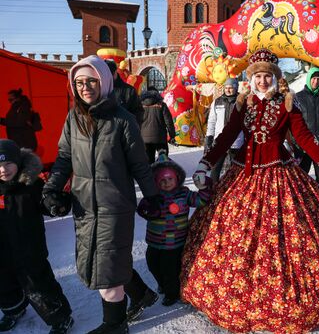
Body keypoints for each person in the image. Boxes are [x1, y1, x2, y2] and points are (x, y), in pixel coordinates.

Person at [182, 49, 319, 333]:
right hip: (244, 172)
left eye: (267, 76)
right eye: (258, 76)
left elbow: (303, 135)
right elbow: (227, 135)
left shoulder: (287, 104)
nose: (263, 81)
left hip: (280, 173)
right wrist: (206, 162)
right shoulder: (243, 104)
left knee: (291, 232)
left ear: (275, 78)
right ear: (250, 79)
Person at [42, 55, 160, 333]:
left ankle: (115, 324)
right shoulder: (74, 118)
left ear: (104, 82)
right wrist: (51, 188)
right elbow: (64, 157)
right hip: (83, 205)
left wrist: (153, 196)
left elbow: (139, 164)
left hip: (114, 204)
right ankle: (142, 294)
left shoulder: (123, 120)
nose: (85, 87)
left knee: (107, 267)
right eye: (79, 82)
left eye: (91, 81)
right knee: (101, 259)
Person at [0, 140, 73, 334]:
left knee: (38, 284)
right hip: (3, 248)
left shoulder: (31, 184)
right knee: (4, 281)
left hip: (29, 248)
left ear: (18, 162)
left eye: (8, 163)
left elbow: (46, 204)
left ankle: (60, 318)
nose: (3, 169)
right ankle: (14, 308)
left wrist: (56, 204)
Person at [136, 151, 212, 306]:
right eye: (161, 179)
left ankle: (172, 293)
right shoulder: (153, 195)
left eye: (169, 178)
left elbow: (201, 201)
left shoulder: (184, 194)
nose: (166, 182)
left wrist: (205, 187)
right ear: (155, 181)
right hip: (155, 240)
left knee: (170, 269)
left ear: (177, 178)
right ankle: (163, 284)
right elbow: (142, 209)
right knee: (152, 263)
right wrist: (146, 209)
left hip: (175, 243)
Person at [204, 78, 244, 182]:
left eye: (231, 88)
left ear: (236, 88)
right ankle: (213, 189)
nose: (228, 90)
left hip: (237, 141)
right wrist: (209, 136)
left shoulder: (241, 101)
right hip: (220, 140)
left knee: (236, 168)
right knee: (216, 167)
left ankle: (235, 188)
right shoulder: (217, 102)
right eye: (226, 88)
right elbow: (212, 120)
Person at [140, 87, 177, 163]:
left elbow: (137, 121)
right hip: (160, 138)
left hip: (145, 139)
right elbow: (168, 122)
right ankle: (162, 173)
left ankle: (150, 173)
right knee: (163, 159)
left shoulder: (140, 106)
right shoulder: (162, 105)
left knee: (149, 161)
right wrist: (172, 135)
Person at [105, 59, 144, 124]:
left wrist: (131, 128)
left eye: (109, 75)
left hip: (124, 131)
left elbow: (138, 113)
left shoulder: (129, 90)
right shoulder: (99, 89)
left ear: (115, 73)